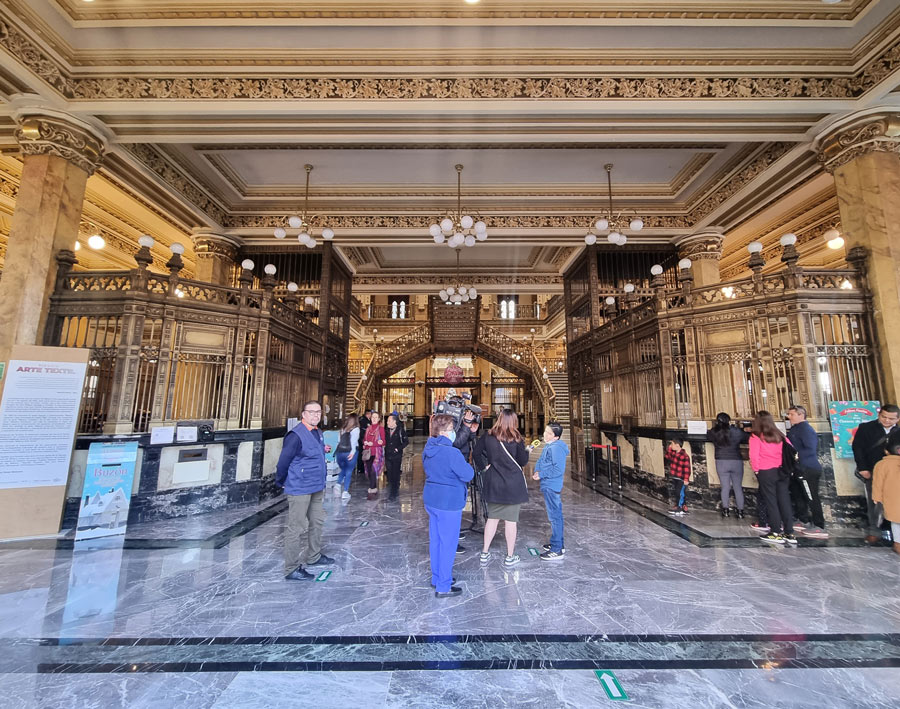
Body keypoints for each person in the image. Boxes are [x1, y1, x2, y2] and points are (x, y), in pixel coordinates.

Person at [275, 400, 335, 580]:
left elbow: (310, 451)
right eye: (312, 412)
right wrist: (281, 481)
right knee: (296, 527)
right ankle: (291, 568)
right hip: (300, 486)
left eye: (318, 412)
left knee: (317, 521)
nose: (316, 415)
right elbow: (283, 461)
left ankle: (314, 556)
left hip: (316, 485)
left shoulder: (318, 433)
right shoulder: (295, 435)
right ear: (303, 414)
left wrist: (322, 449)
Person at [422, 413, 474, 597]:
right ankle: (443, 585)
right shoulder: (452, 453)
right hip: (448, 502)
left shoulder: (428, 448)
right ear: (443, 432)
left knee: (436, 541)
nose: (454, 433)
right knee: (448, 543)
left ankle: (437, 577)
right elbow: (468, 474)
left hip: (432, 499)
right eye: (452, 429)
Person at [474, 409, 530, 567]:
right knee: (511, 522)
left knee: (492, 519)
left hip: (494, 482)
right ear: (514, 421)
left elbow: (476, 453)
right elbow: (522, 461)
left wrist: (484, 467)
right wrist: (527, 450)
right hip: (512, 484)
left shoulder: (488, 435)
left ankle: (485, 552)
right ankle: (510, 556)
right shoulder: (517, 438)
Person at [852, 404, 900, 544]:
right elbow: (858, 448)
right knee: (874, 501)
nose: (886, 420)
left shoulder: (898, 431)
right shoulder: (866, 428)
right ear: (879, 414)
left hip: (895, 472)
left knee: (895, 501)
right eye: (883, 417)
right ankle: (874, 530)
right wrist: (863, 468)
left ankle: (893, 531)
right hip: (873, 470)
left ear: (897, 419)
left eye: (891, 419)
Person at [749, 410, 797, 545]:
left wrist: (756, 470)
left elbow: (754, 456)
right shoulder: (780, 435)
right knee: (784, 500)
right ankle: (789, 532)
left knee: (771, 501)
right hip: (782, 471)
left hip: (766, 471)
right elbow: (791, 450)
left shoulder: (756, 436)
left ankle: (775, 531)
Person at [786, 405, 828, 539]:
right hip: (797, 468)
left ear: (801, 415)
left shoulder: (806, 429)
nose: (789, 417)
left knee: (811, 497)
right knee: (799, 494)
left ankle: (819, 525)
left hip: (807, 468)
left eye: (792, 414)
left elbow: (810, 448)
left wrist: (796, 455)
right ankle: (803, 519)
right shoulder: (795, 429)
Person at [532, 421, 569, 561]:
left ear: (556, 437)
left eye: (549, 433)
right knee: (554, 515)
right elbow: (544, 461)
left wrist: (541, 474)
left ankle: (557, 549)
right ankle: (558, 543)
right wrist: (538, 471)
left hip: (552, 485)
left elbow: (558, 469)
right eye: (545, 431)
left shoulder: (556, 448)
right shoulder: (551, 446)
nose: (545, 434)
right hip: (548, 483)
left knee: (555, 516)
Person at [707, 412, 749, 518]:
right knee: (738, 487)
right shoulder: (736, 431)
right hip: (736, 460)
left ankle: (725, 510)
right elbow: (746, 437)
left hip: (721, 461)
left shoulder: (714, 432)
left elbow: (708, 436)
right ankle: (740, 511)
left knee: (725, 487)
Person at [872, 429, 900, 556]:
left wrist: (876, 498)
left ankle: (898, 544)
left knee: (896, 523)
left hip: (892, 501)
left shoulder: (881, 464)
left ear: (886, 451)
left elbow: (877, 483)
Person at [333, 414, 360, 501]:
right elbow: (353, 441)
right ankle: (345, 491)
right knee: (348, 470)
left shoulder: (342, 429)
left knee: (344, 469)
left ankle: (338, 484)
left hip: (340, 453)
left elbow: (339, 441)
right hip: (350, 452)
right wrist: (352, 452)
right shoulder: (356, 429)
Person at [384, 413, 409, 501]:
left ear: (394, 421)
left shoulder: (400, 430)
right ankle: (392, 488)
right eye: (387, 421)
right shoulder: (386, 430)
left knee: (395, 474)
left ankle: (393, 493)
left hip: (396, 456)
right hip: (388, 455)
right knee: (390, 474)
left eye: (389, 421)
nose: (387, 422)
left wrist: (398, 449)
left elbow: (406, 442)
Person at [664, 437, 692, 516]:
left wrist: (686, 479)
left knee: (679, 492)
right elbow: (667, 456)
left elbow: (687, 468)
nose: (671, 445)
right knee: (678, 492)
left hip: (682, 478)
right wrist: (669, 449)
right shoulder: (674, 453)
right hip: (675, 476)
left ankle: (679, 508)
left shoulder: (684, 456)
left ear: (677, 445)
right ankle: (683, 506)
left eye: (672, 444)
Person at [362, 411, 385, 500]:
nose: (374, 419)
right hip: (368, 452)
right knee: (368, 470)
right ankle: (374, 487)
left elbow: (383, 441)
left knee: (373, 470)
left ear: (379, 419)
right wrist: (365, 442)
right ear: (370, 418)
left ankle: (372, 489)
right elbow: (364, 439)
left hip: (376, 453)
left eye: (376, 417)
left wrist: (373, 443)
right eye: (373, 417)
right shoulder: (368, 429)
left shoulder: (381, 429)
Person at [356, 408, 372, 476]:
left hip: (362, 439)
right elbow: (364, 431)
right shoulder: (364, 421)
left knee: (363, 453)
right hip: (362, 439)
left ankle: (362, 467)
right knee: (362, 454)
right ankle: (361, 468)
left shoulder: (362, 419)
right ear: (368, 414)